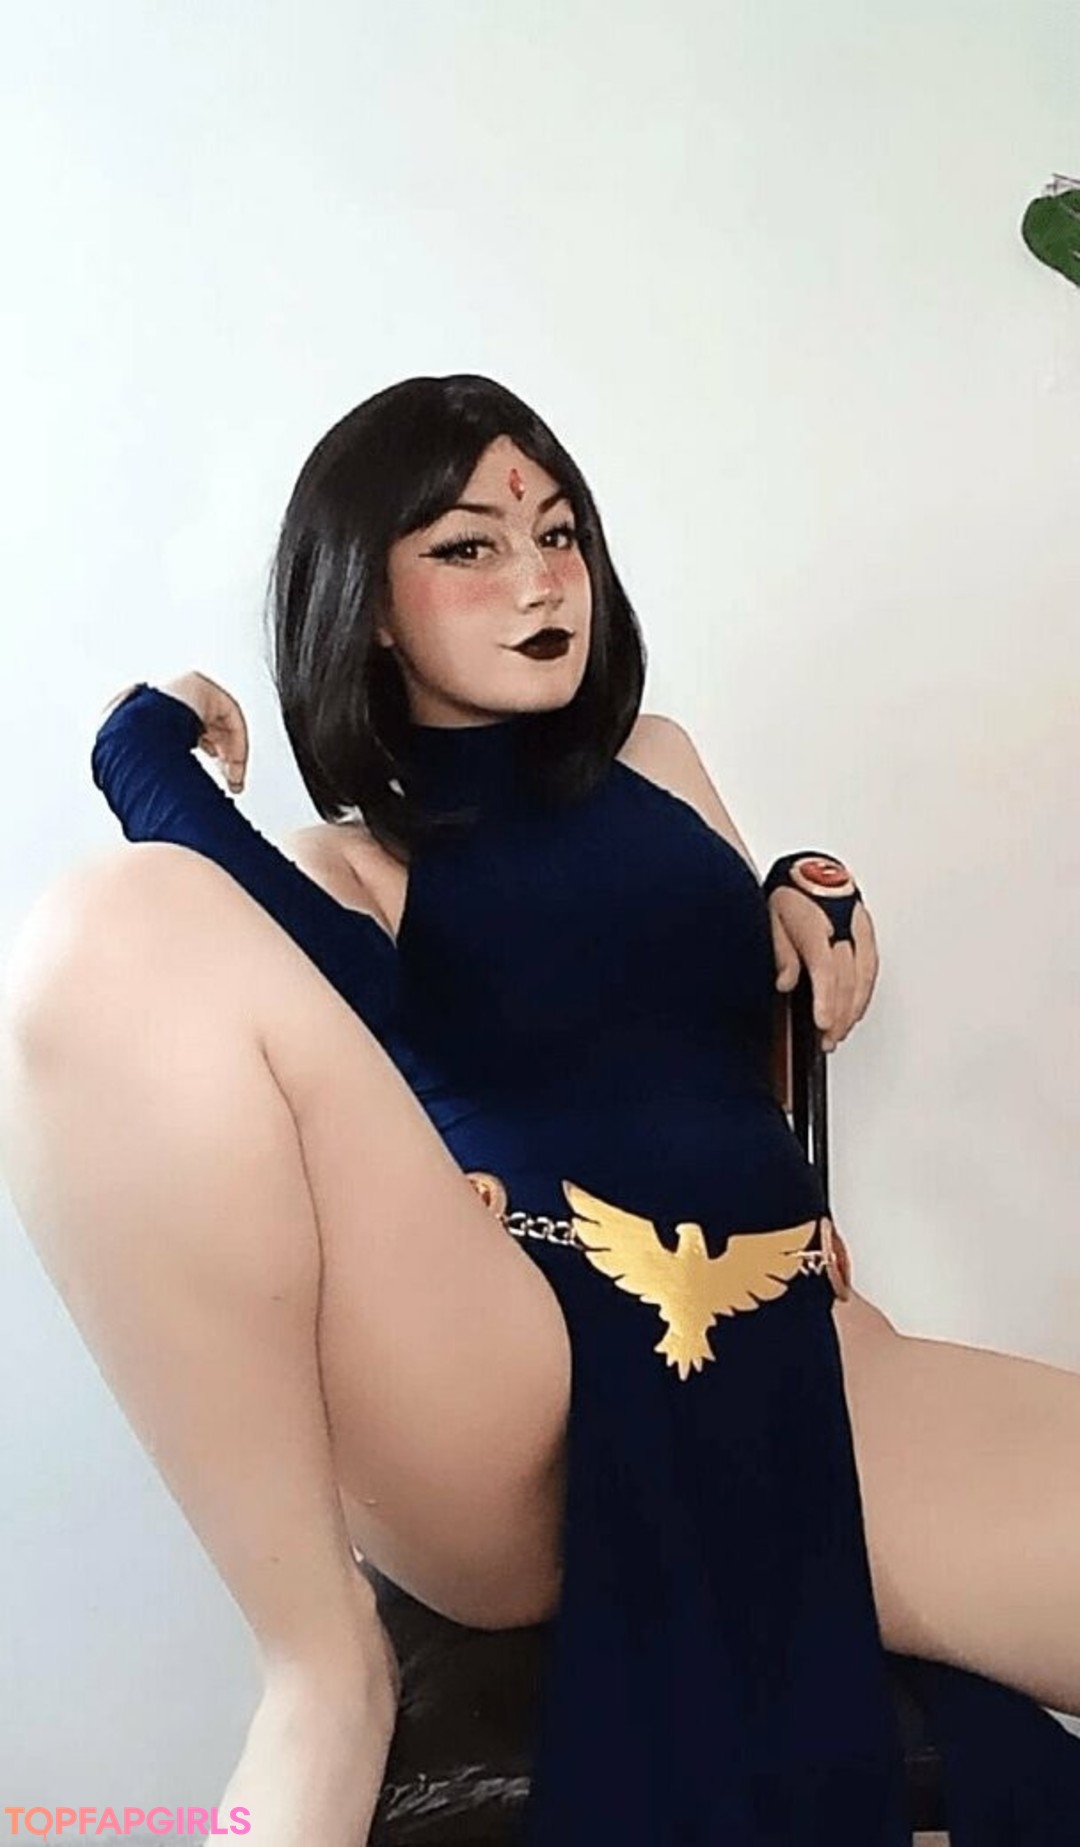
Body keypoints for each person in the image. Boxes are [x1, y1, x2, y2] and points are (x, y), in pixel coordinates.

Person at [2, 372, 1079, 1845]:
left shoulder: (663, 762)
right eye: (468, 547)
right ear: (369, 607)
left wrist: (795, 888)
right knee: (113, 927)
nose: (537, 579)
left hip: (793, 1342)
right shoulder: (351, 870)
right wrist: (139, 746)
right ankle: (315, 1669)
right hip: (526, 1377)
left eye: (558, 534)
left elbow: (703, 1008)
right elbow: (298, 972)